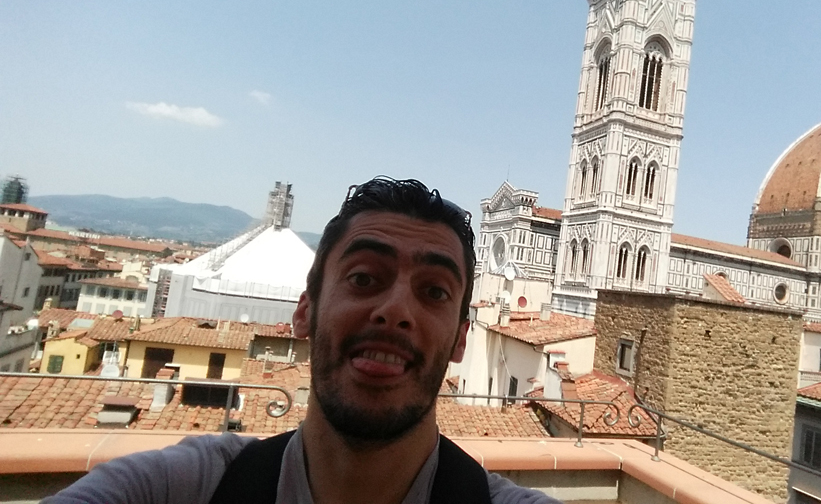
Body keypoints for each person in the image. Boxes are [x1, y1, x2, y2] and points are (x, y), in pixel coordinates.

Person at [45, 177, 560, 504]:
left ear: (461, 339)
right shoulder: (182, 487)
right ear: (304, 310)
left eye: (434, 291)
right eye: (364, 277)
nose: (396, 311)